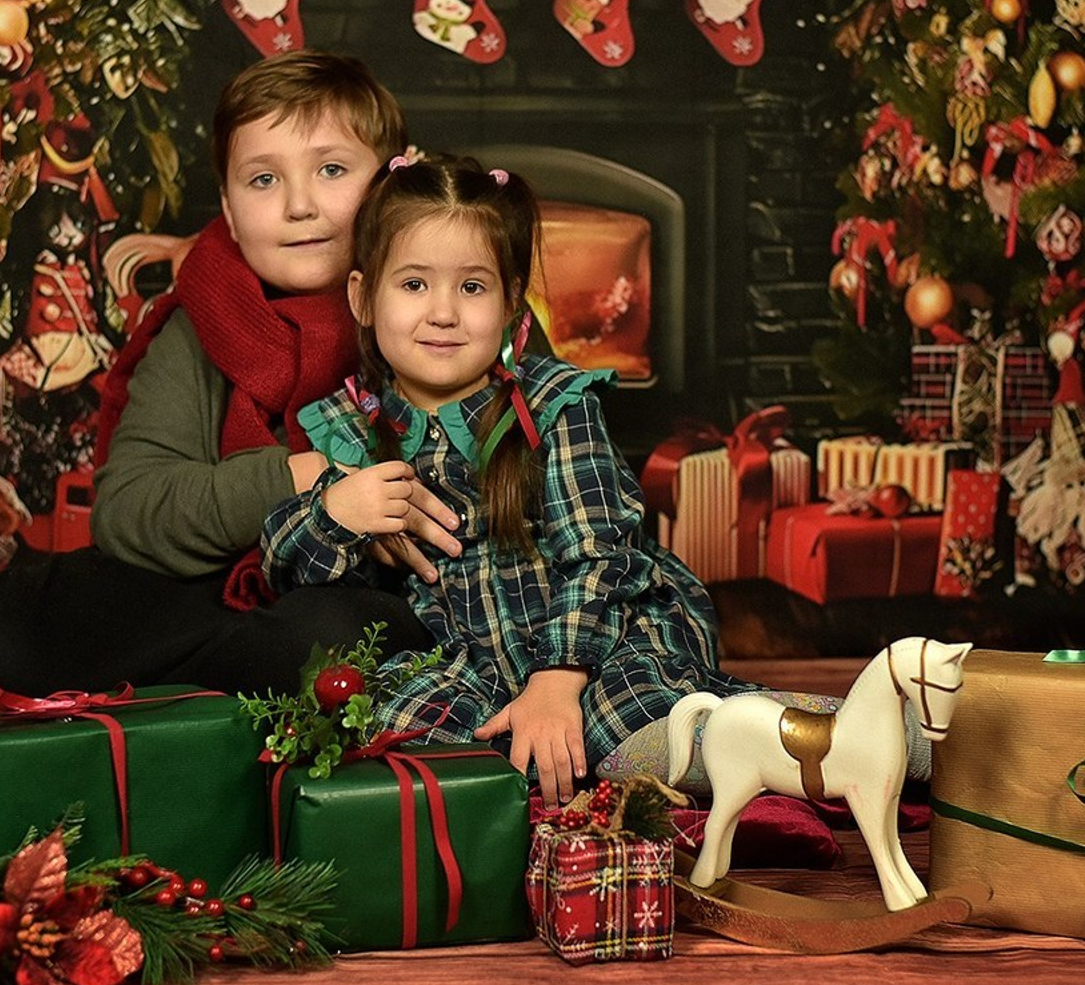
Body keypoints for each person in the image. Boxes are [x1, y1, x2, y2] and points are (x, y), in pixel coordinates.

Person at [0, 51, 459, 739]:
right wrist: (308, 478)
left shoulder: (441, 304)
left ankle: (145, 720)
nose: (300, 205)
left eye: (331, 170)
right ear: (229, 209)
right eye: (265, 179)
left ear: (391, 180)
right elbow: (132, 513)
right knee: (38, 610)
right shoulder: (199, 324)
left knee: (344, 639)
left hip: (342, 608)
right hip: (207, 591)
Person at [259, 153, 755, 807]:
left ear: (511, 302)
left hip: (595, 635)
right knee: (390, 716)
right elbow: (280, 565)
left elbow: (600, 554)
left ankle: (798, 738)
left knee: (624, 707)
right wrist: (337, 511)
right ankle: (556, 775)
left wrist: (556, 681)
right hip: (472, 664)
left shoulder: (555, 403)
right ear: (363, 298)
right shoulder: (351, 427)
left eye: (471, 288)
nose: (443, 313)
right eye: (413, 285)